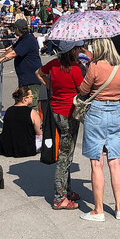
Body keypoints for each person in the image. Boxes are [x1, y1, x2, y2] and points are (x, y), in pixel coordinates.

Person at [78, 38, 120, 221]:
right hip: (116, 111)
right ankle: (119, 208)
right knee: (114, 161)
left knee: (97, 162)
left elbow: (83, 90)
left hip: (97, 111)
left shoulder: (95, 66)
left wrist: (87, 72)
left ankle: (98, 210)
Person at [36, 40, 86, 210]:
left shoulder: (54, 64)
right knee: (65, 155)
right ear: (72, 51)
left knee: (68, 151)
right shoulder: (75, 69)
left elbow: (39, 73)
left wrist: (49, 85)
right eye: (78, 48)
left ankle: (67, 189)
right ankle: (59, 198)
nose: (80, 50)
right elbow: (82, 90)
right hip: (69, 113)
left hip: (56, 110)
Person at [0, 19, 43, 109]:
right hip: (24, 79)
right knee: (22, 103)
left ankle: (35, 122)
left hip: (31, 79)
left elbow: (13, 54)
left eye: (14, 28)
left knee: (31, 105)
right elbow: (11, 49)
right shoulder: (23, 38)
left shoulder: (28, 39)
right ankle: (25, 122)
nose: (14, 30)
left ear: (18, 29)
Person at [0, 87, 42, 157]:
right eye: (31, 96)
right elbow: (39, 133)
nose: (33, 98)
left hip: (8, 149)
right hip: (27, 149)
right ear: (25, 98)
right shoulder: (32, 112)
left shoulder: (9, 110)